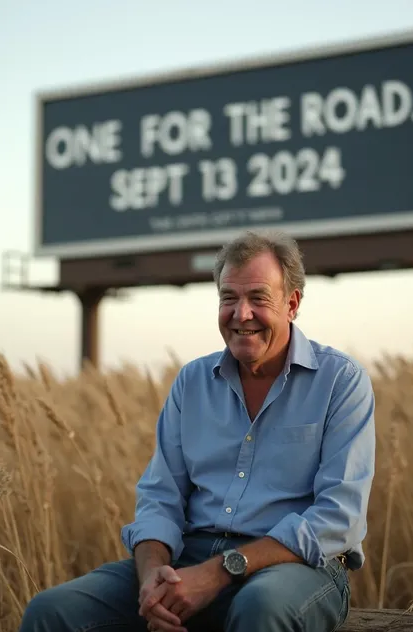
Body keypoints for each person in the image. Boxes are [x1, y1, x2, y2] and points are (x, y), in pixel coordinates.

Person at [19, 230, 376, 632]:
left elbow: (338, 517)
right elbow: (160, 497)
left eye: (258, 298)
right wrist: (153, 577)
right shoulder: (192, 382)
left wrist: (220, 572)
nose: (241, 314)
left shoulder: (341, 381)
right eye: (229, 298)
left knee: (260, 606)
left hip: (297, 568)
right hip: (188, 561)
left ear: (291, 304)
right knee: (50, 612)